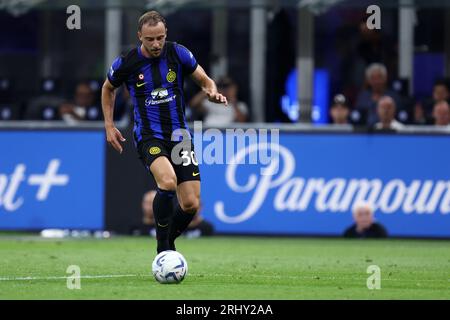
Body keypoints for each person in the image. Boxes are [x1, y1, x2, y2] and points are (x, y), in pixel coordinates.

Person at [101, 11, 227, 253]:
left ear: (165, 33)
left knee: (190, 204)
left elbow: (204, 79)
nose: (156, 44)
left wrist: (211, 91)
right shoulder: (127, 62)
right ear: (140, 36)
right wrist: (109, 124)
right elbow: (108, 88)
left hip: (180, 137)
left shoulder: (177, 53)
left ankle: (168, 241)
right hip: (149, 136)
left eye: (160, 37)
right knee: (168, 182)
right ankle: (163, 250)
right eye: (150, 39)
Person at [140, 190, 214, 238]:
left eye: (196, 205)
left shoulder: (206, 227)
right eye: (148, 203)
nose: (192, 208)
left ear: (201, 207)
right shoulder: (175, 225)